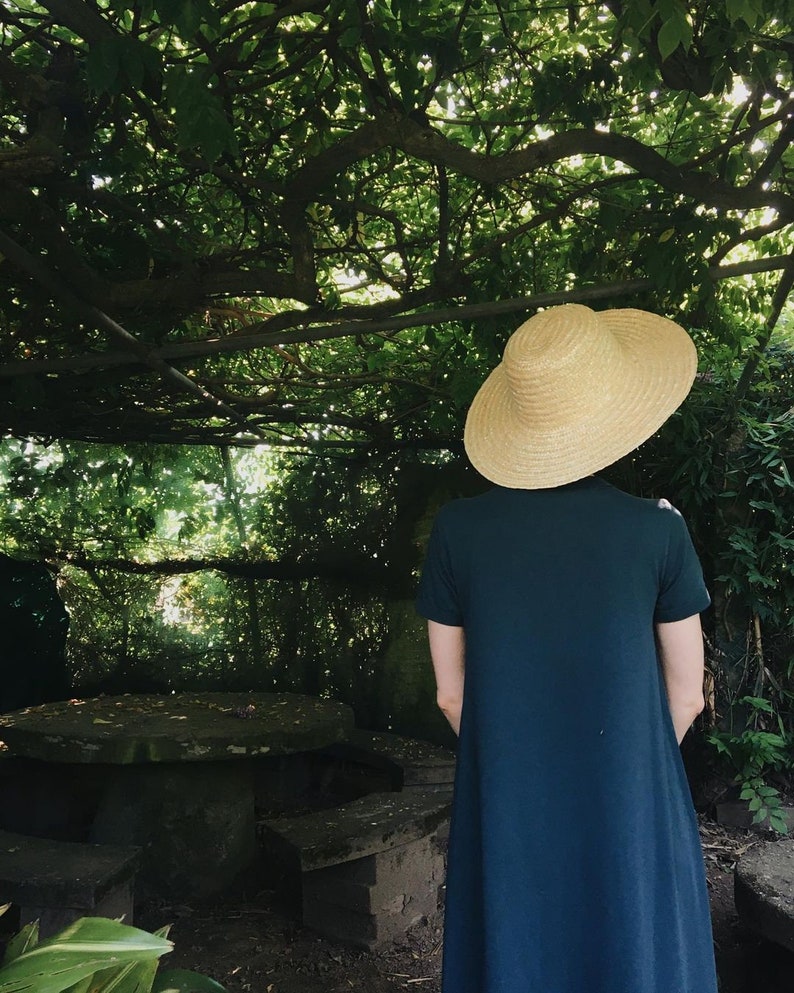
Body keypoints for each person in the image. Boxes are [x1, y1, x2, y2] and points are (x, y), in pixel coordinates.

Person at [416, 304, 717, 993]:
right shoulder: (659, 532)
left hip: (507, 799)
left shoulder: (457, 531)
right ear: (616, 410)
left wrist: (518, 761)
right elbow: (687, 694)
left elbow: (451, 692)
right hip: (630, 796)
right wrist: (621, 766)